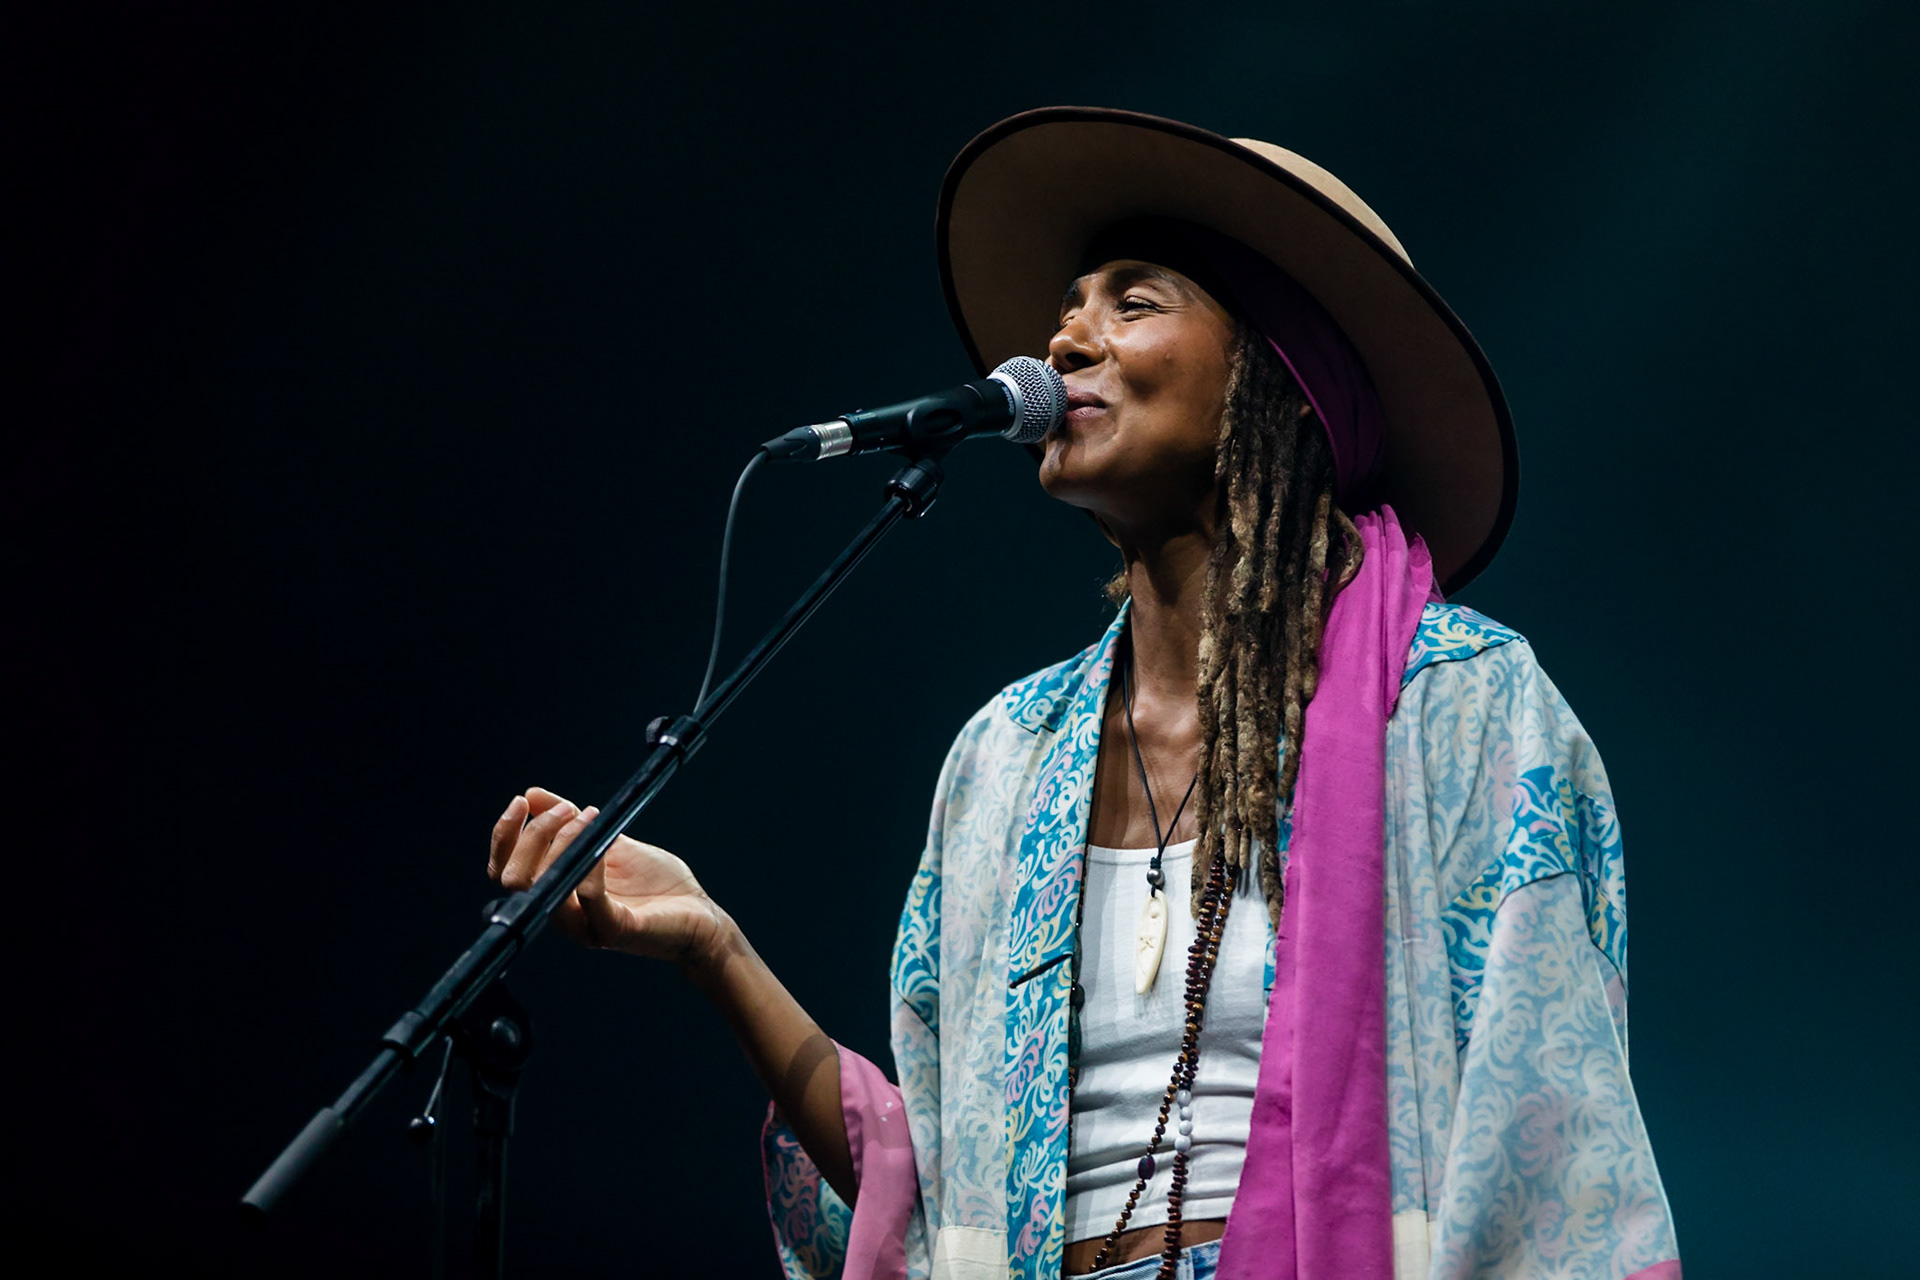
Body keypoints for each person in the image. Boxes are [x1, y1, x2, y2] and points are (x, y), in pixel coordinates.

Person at [485, 108, 1681, 1280]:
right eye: (1067, 307)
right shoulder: (1006, 758)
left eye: (1134, 299)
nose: (1061, 342)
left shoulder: (1456, 706)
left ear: (1282, 375)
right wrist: (714, 946)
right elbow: (939, 1191)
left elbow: (1554, 1155)